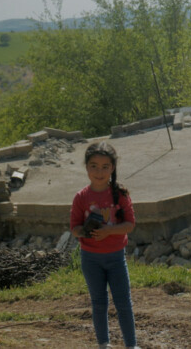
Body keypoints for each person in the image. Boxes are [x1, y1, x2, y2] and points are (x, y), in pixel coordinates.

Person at [70, 142, 139, 349]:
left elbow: (130, 225)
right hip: (90, 258)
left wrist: (109, 231)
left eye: (105, 167)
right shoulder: (81, 197)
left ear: (113, 168)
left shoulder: (121, 195)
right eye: (94, 166)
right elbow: (74, 228)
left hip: (116, 257)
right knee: (99, 303)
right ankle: (103, 343)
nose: (99, 172)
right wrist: (87, 231)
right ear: (86, 167)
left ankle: (131, 345)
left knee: (123, 303)